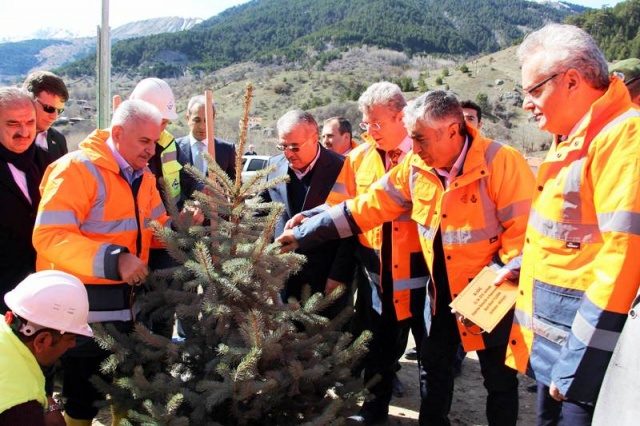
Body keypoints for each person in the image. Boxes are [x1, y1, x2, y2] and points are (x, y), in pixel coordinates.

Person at [278, 90, 535, 426]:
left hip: (491, 293)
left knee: (498, 380)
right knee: (435, 365)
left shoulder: (502, 161)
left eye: (421, 139)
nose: (416, 148)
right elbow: (365, 207)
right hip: (439, 296)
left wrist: (486, 289)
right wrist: (302, 233)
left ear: (453, 131)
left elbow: (525, 236)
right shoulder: (416, 166)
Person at [497, 23, 640, 425]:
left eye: (534, 90)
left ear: (573, 81)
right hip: (558, 349)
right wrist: (517, 267)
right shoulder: (572, 139)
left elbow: (623, 259)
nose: (526, 104)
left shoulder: (624, 137)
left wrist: (577, 364)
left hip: (590, 362)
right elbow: (566, 238)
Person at [33, 99, 202, 426]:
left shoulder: (144, 177)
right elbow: (50, 236)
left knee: (125, 395)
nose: (151, 150)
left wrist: (179, 225)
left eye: (155, 141)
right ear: (119, 133)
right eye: (144, 141)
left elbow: (154, 230)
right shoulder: (76, 170)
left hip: (128, 314)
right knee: (82, 401)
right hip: (83, 319)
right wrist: (115, 260)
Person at [285, 82, 429, 424]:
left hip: (422, 273)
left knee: (429, 357)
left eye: (376, 124)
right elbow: (339, 206)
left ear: (401, 118)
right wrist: (311, 217)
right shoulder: (359, 158)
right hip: (375, 272)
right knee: (375, 350)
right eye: (366, 124)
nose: (370, 132)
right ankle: (373, 414)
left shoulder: (423, 156)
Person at [258, 109, 354, 318]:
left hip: (325, 276)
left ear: (314, 139)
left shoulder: (342, 167)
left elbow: (351, 226)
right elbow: (261, 211)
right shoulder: (274, 165)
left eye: (294, 147)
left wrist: (339, 275)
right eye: (283, 146)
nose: (288, 153)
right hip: (283, 275)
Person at [0, 270, 92, 426]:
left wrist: (49, 405)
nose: (73, 344)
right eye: (70, 338)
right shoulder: (22, 407)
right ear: (42, 340)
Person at [0, 88, 53, 314]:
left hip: (42, 288)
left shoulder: (46, 160)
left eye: (30, 122)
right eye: (13, 124)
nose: (24, 132)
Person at [176, 94, 237, 191]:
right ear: (187, 119)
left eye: (206, 120)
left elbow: (236, 188)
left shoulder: (227, 150)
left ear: (213, 119)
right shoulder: (175, 147)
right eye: (197, 120)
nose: (202, 126)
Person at [22, 70, 69, 161]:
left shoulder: (59, 140)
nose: (54, 117)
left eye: (59, 111)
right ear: (28, 99)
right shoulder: (7, 138)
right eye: (49, 108)